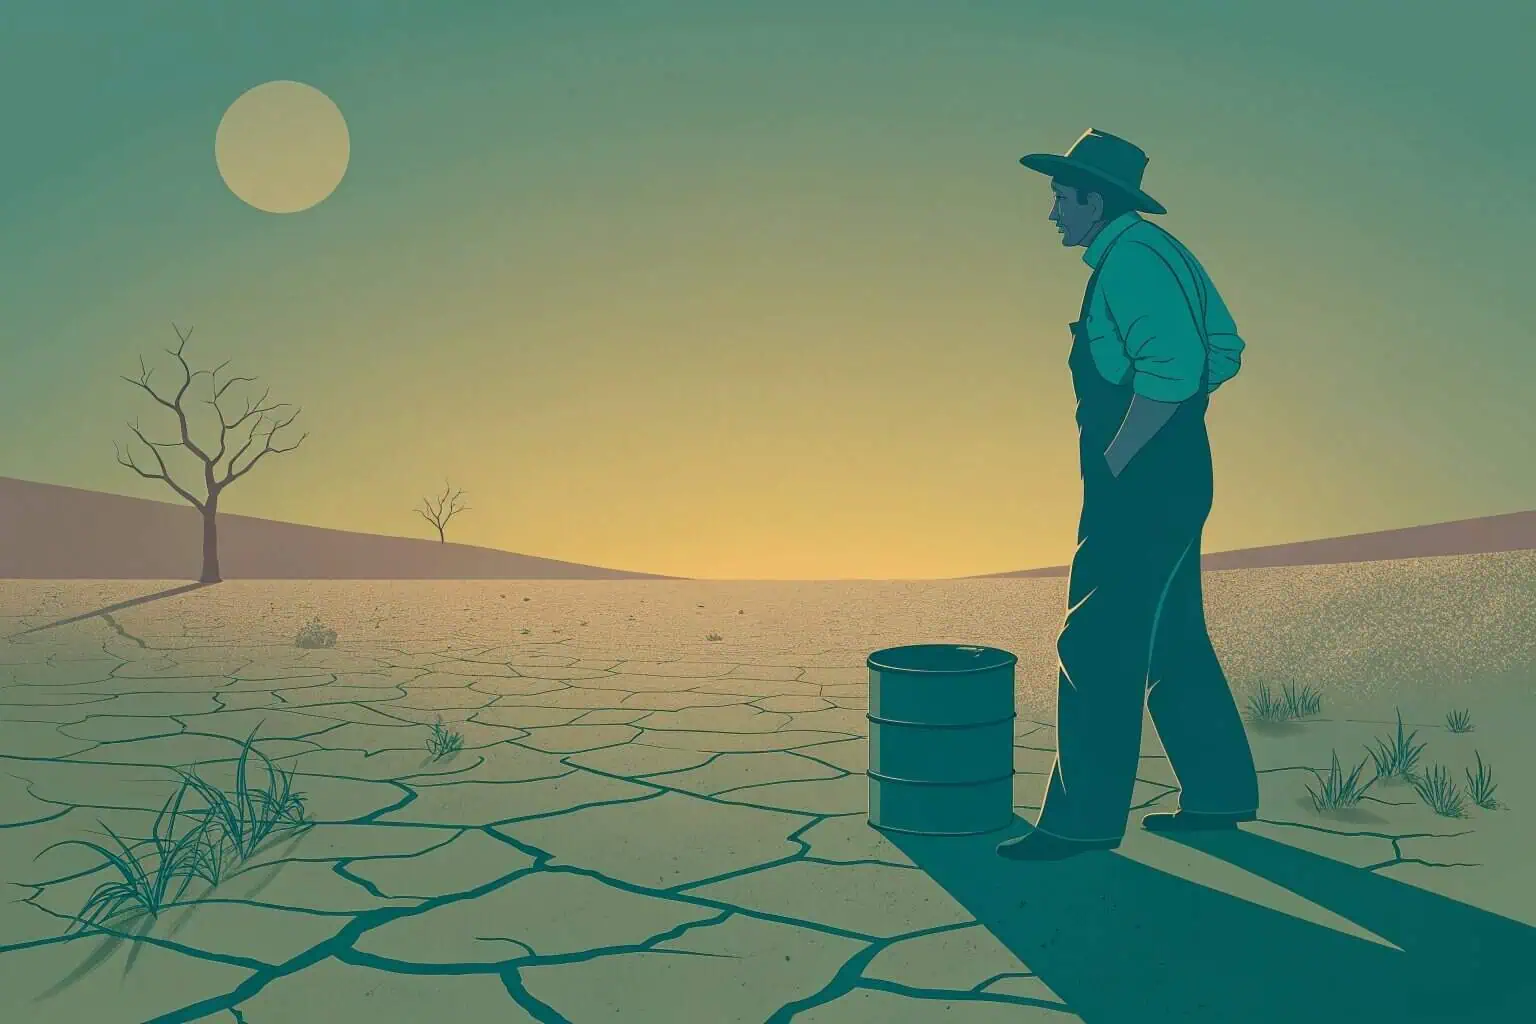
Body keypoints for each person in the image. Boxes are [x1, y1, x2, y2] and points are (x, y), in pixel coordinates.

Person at [996, 129, 1260, 861]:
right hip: (1178, 474)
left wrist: (1120, 455)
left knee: (1097, 639)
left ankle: (1079, 822)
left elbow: (1173, 371)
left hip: (1139, 483)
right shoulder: (1157, 253)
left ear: (1094, 199)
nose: (1052, 211)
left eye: (1060, 197)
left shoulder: (1131, 264)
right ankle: (1220, 793)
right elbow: (1225, 349)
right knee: (1171, 639)